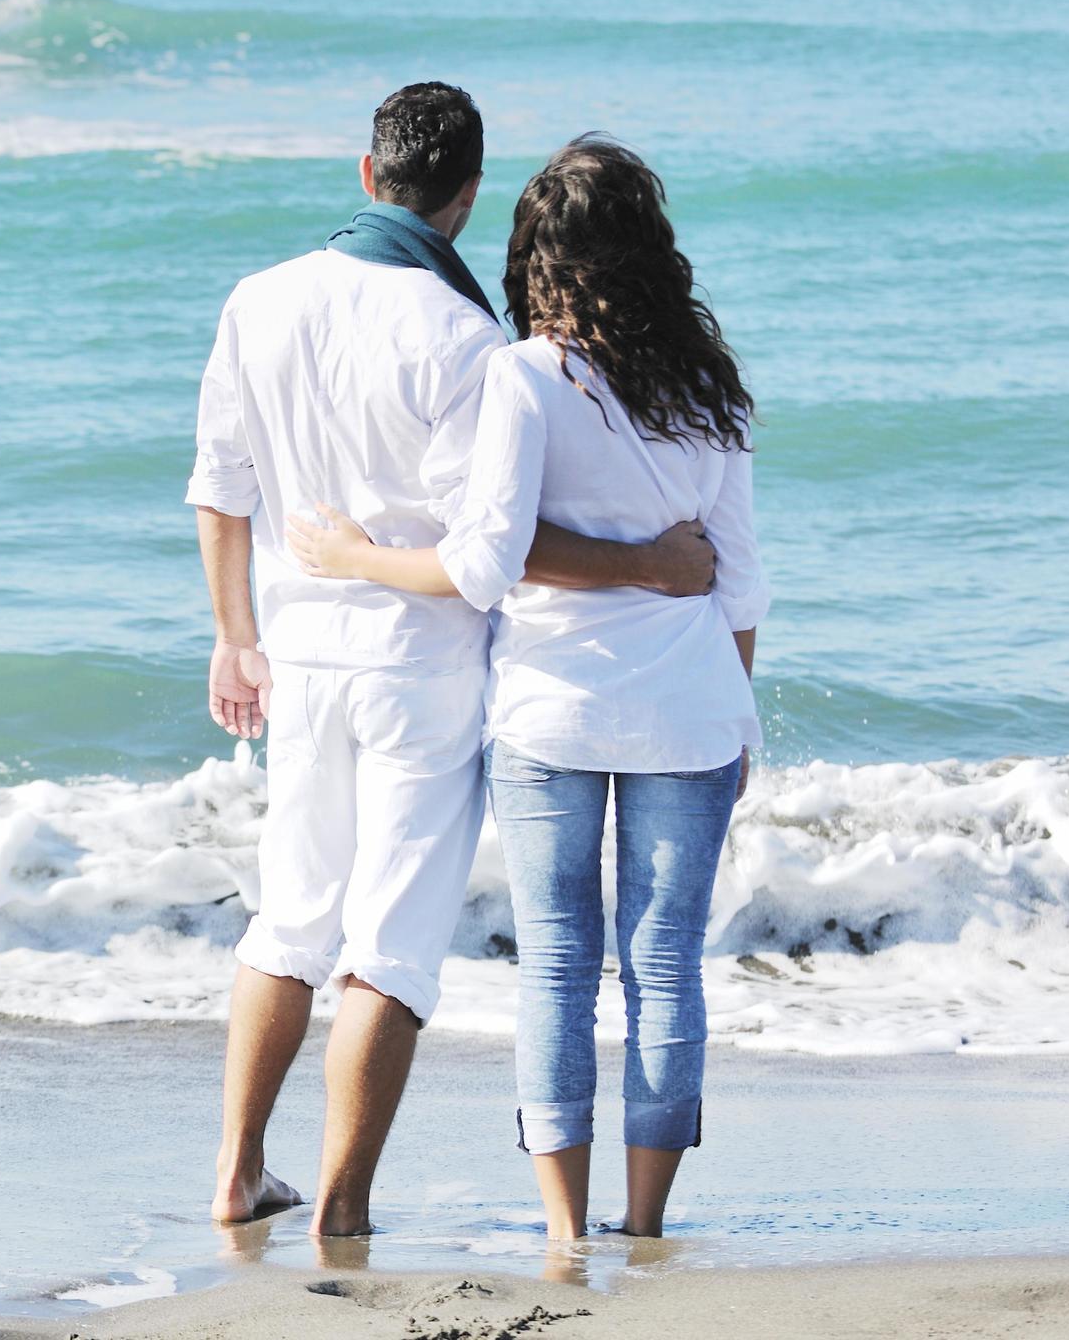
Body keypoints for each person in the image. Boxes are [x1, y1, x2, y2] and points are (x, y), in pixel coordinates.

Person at [189, 86, 718, 1234]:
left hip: (297, 654)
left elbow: (220, 485)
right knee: (391, 941)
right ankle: (340, 1203)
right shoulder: (467, 338)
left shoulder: (258, 298)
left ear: (367, 175)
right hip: (416, 664)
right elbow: (498, 552)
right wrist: (657, 570)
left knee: (288, 913)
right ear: (467, 198)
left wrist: (234, 633)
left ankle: (237, 1169)